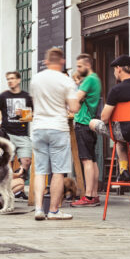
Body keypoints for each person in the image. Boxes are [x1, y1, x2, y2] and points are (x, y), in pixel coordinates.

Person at [29, 47, 80, 221]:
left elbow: (33, 101)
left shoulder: (36, 79)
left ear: (46, 61)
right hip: (58, 128)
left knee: (40, 171)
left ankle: (38, 209)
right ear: (62, 62)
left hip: (38, 127)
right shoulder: (66, 81)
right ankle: (53, 211)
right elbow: (74, 108)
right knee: (58, 172)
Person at [71, 54, 102, 207]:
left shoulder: (89, 80)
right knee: (93, 160)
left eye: (79, 66)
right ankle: (94, 194)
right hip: (90, 123)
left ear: (87, 65)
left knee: (86, 160)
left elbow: (76, 98)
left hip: (83, 122)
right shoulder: (96, 79)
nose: (78, 69)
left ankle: (88, 196)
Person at [0, 71, 33, 183]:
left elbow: (33, 115)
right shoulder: (3, 96)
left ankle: (17, 184)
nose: (10, 81)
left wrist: (24, 114)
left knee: (27, 160)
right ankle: (8, 188)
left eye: (12, 78)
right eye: (8, 79)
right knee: (7, 164)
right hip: (7, 135)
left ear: (18, 80)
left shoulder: (26, 97)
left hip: (23, 135)